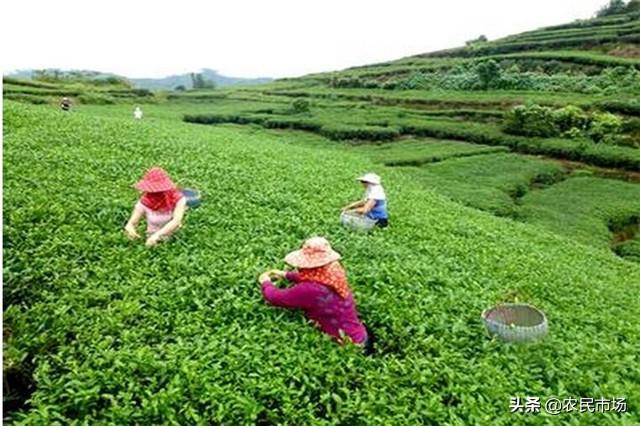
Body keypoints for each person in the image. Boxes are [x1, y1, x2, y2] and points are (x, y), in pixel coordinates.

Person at [259, 237, 374, 355]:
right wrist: (286, 275)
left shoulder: (308, 290)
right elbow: (315, 278)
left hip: (349, 347)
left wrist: (265, 282)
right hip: (362, 335)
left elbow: (276, 297)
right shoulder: (334, 270)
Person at [124, 167, 187, 247]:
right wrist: (130, 229)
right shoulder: (144, 202)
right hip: (150, 238)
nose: (155, 194)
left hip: (174, 239)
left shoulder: (178, 199)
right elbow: (131, 223)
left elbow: (176, 221)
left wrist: (157, 236)